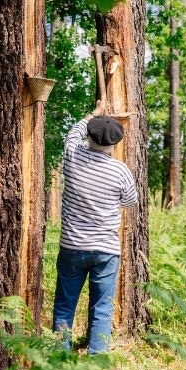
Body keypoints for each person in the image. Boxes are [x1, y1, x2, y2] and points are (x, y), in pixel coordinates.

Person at [52, 101, 137, 354]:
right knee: (102, 308)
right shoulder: (120, 171)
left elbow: (72, 134)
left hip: (72, 247)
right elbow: (130, 201)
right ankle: (98, 361)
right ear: (114, 144)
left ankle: (59, 360)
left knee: (65, 306)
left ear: (89, 136)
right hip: (106, 251)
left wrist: (94, 112)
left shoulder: (72, 156)